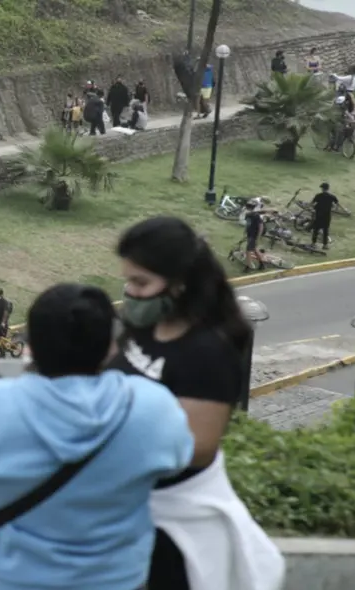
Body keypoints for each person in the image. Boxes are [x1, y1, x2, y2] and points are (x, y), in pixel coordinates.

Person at [0, 283, 194, 590]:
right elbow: (178, 464)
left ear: (31, 343)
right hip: (116, 581)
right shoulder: (154, 407)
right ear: (111, 347)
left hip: (3, 579)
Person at [107, 216, 261, 590]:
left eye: (141, 282)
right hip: (121, 507)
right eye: (128, 280)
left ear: (179, 284)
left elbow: (197, 447)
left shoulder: (208, 352)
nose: (130, 292)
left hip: (170, 524)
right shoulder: (144, 325)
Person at [311, 182, 338, 250]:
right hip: (327, 216)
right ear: (328, 188)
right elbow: (336, 204)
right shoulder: (332, 196)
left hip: (319, 215)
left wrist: (312, 208)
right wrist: (332, 208)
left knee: (316, 230)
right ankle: (325, 245)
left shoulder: (318, 195)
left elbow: (312, 203)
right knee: (325, 230)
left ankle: (313, 244)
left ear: (322, 188)